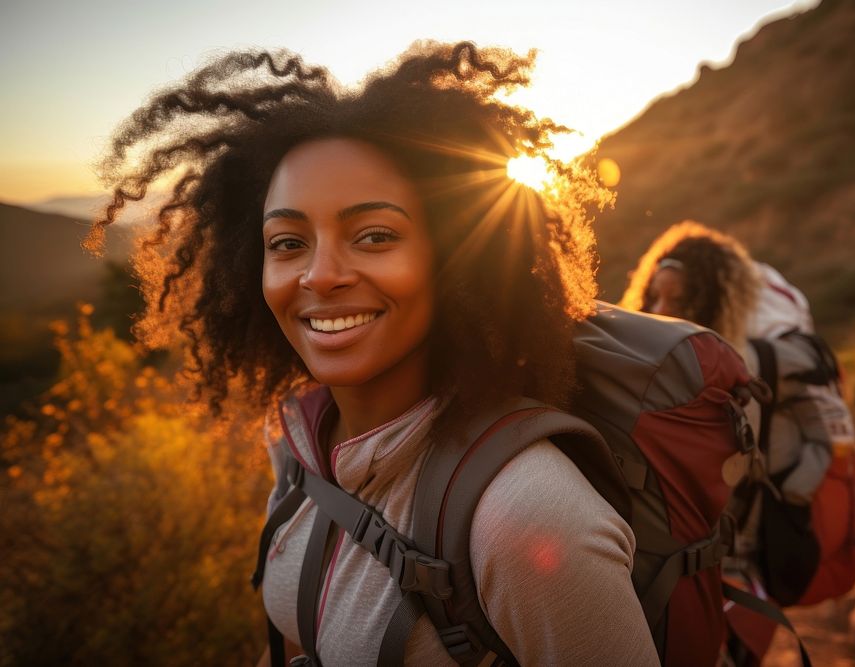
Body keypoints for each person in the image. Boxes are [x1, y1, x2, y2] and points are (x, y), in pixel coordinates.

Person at [90, 43, 659, 665]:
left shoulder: (525, 516)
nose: (320, 275)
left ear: (455, 260)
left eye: (375, 236)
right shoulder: (297, 450)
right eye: (287, 242)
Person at [620, 220, 837, 666]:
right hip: (667, 569)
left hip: (738, 567)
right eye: (654, 296)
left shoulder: (758, 369)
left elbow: (820, 441)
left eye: (677, 300)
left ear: (714, 299)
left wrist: (790, 498)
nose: (660, 308)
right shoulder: (655, 373)